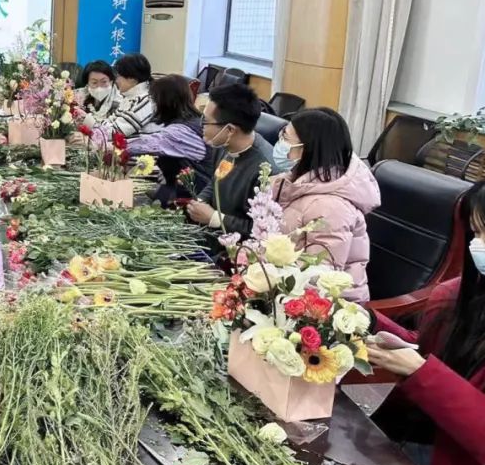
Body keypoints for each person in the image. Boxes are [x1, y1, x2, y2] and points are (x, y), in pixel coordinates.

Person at [334, 181, 485, 465]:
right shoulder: (465, 296)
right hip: (450, 461)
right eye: (475, 232)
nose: (478, 245)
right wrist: (371, 324)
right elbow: (434, 354)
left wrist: (420, 371)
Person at [272, 108, 379, 302]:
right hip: (287, 289)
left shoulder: (330, 207)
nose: (280, 143)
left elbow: (319, 278)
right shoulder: (297, 181)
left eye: (286, 138)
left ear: (307, 149)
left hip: (331, 306)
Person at [187, 83, 274, 236]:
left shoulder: (267, 171)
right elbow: (216, 180)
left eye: (206, 121)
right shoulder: (223, 144)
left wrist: (215, 219)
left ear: (230, 130)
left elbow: (261, 229)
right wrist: (200, 202)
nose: (202, 126)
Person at [126, 75, 207, 205]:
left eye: (154, 100)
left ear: (164, 102)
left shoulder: (180, 132)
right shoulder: (194, 119)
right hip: (180, 185)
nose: (152, 104)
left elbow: (146, 144)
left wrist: (113, 146)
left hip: (192, 194)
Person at [109, 54, 160, 137]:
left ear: (132, 78)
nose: (116, 81)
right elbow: (110, 122)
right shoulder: (129, 98)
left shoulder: (147, 100)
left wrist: (91, 124)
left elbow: (117, 132)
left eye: (118, 76)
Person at [75, 61, 123, 127]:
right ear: (87, 84)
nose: (99, 87)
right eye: (94, 82)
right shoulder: (78, 97)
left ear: (111, 82)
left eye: (104, 82)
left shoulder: (120, 102)